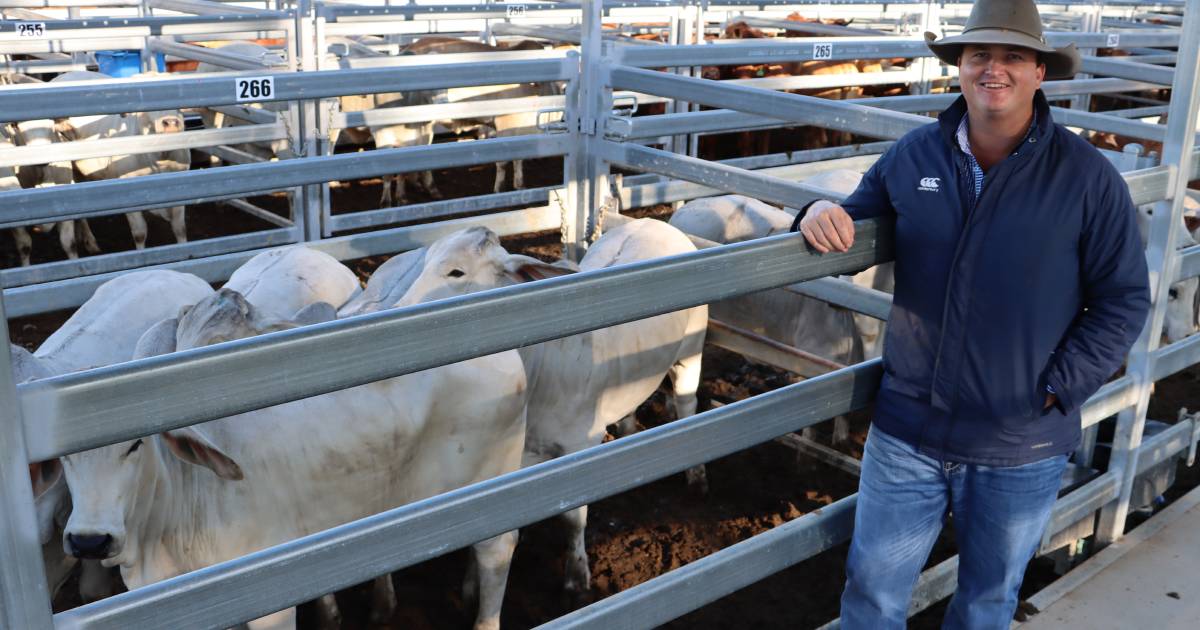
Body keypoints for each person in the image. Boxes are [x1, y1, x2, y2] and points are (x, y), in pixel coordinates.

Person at [795, 0, 1151, 628]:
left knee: (986, 603)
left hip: (1020, 439)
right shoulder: (914, 156)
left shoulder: (1087, 177)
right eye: (979, 54)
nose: (994, 69)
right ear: (959, 65)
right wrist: (813, 212)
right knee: (871, 596)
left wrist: (1058, 386)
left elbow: (1122, 298)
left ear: (1040, 72)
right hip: (909, 429)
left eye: (1013, 56)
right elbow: (850, 216)